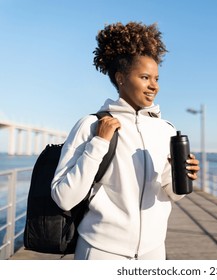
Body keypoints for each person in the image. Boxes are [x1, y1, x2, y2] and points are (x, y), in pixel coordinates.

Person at [51, 21, 200, 260]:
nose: (154, 86)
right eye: (144, 77)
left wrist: (180, 176)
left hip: (154, 251)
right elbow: (64, 198)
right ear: (120, 78)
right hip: (101, 251)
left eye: (157, 78)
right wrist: (98, 143)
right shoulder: (90, 125)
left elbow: (169, 194)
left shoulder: (166, 129)